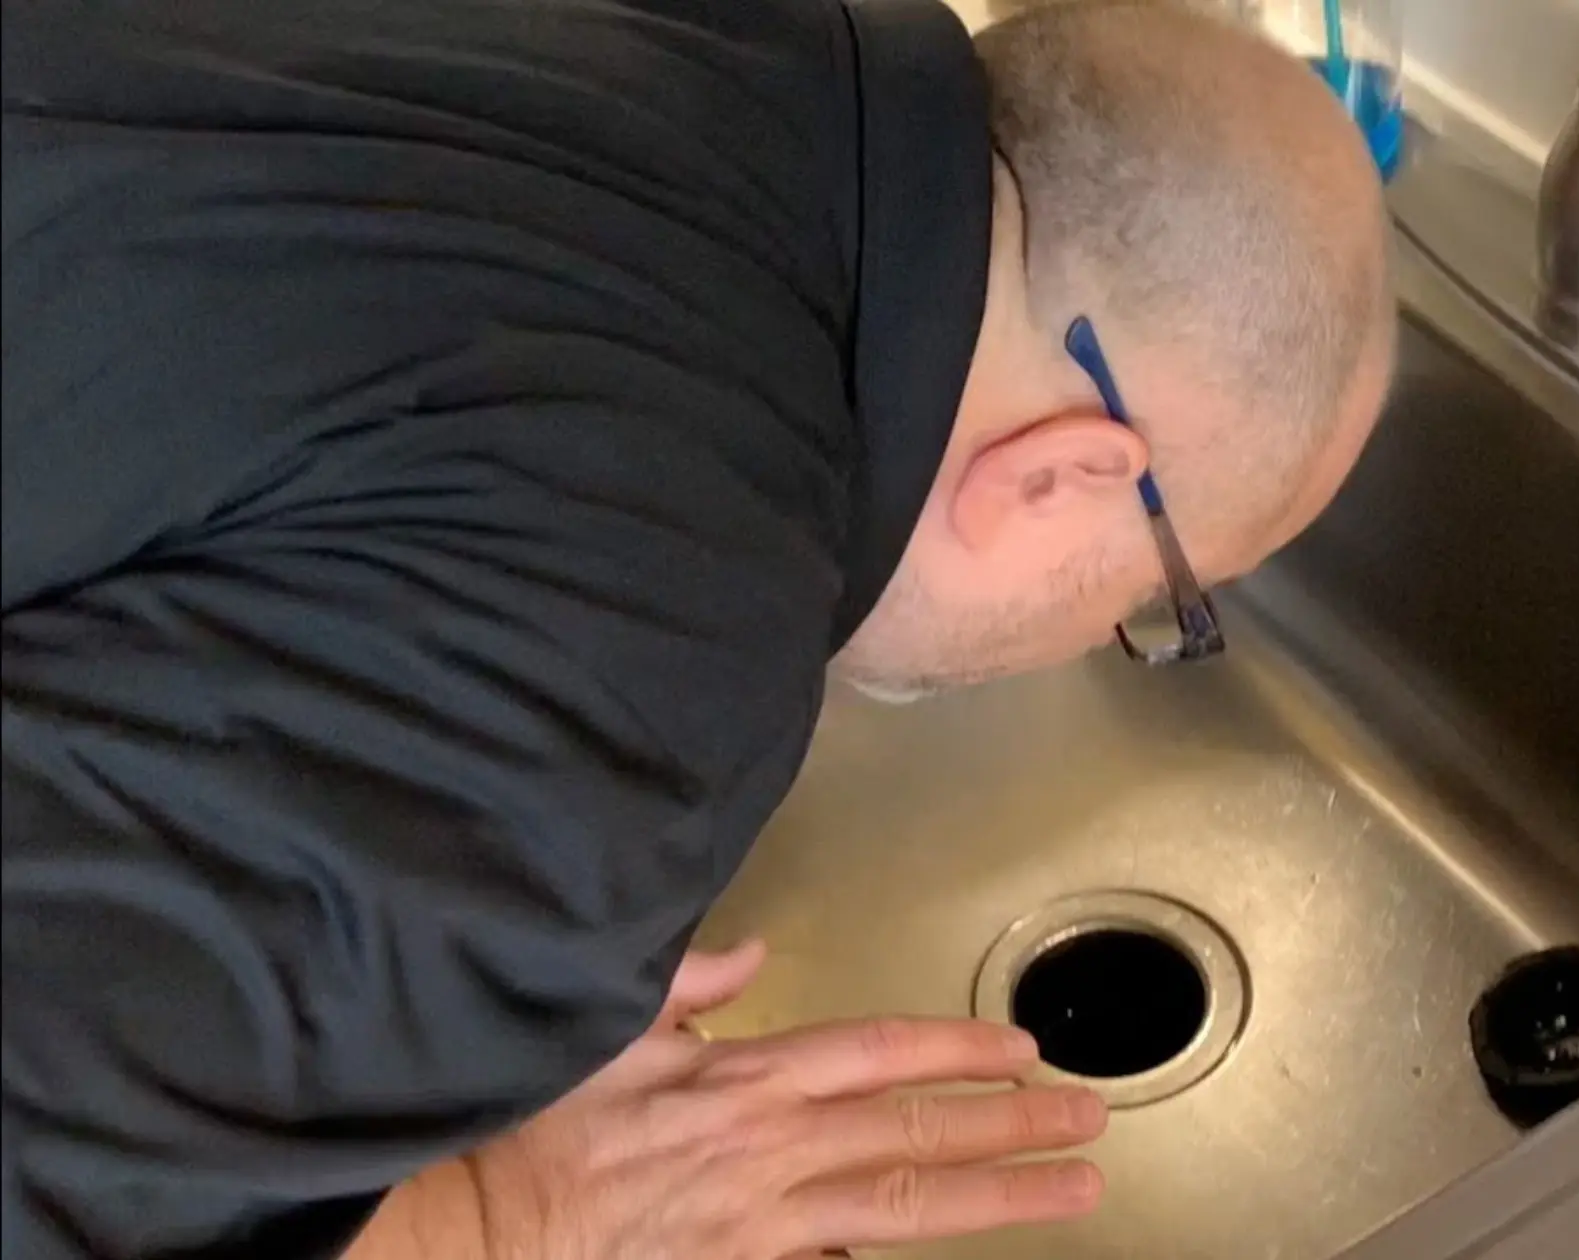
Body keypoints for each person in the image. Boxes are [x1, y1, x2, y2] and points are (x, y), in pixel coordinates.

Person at [0, 0, 1394, 1254]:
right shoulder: (646, 672)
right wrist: (501, 1219)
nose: (1114, 635)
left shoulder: (720, 54)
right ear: (1063, 474)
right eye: (1162, 600)